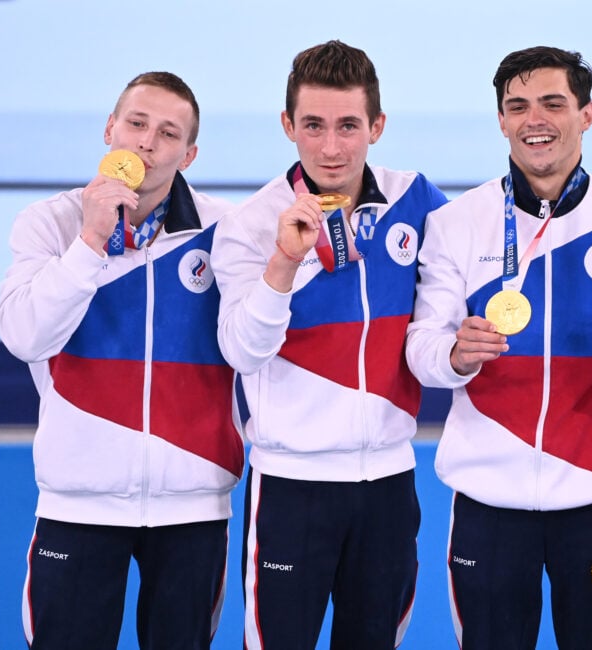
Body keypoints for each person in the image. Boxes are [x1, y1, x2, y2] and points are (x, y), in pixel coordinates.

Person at [406, 46, 592, 649]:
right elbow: (422, 351)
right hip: (488, 501)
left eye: (552, 103)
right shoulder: (457, 222)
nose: (533, 119)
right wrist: (456, 355)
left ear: (587, 114)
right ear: (500, 120)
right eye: (517, 106)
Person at [209, 40, 447, 649]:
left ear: (377, 125)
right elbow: (241, 351)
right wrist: (285, 262)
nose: (332, 147)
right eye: (313, 126)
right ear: (289, 126)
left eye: (348, 126)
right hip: (292, 487)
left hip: (391, 484)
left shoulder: (416, 200)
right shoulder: (250, 223)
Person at [0, 72, 244, 649]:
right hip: (78, 502)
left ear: (190, 154)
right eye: (135, 123)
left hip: (193, 505)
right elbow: (24, 336)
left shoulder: (225, 231)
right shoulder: (50, 224)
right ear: (110, 128)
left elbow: (257, 339)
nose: (146, 143)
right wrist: (89, 242)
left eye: (167, 133)